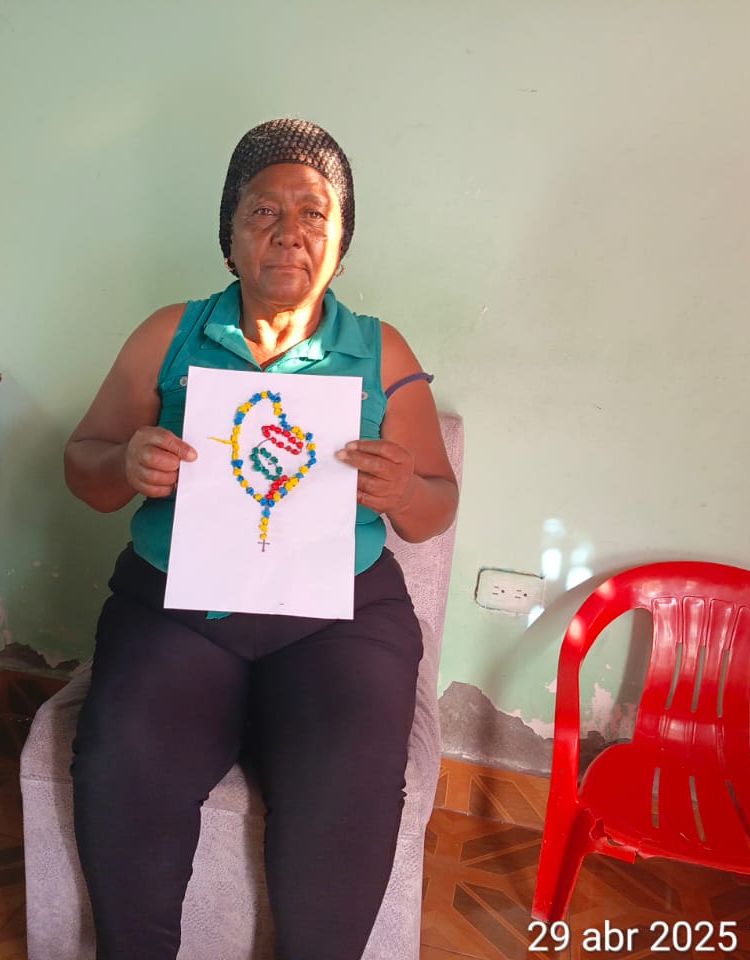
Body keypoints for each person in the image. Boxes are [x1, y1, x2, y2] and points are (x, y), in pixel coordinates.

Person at [64, 118, 459, 960]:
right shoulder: (169, 333)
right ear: (230, 237)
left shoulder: (381, 351)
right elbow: (83, 465)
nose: (288, 232)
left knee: (349, 782)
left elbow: (435, 507)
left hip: (337, 617)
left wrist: (401, 490)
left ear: (341, 245)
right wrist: (124, 462)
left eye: (314, 214)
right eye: (262, 212)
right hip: (178, 608)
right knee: (123, 762)